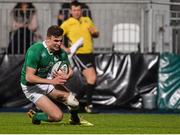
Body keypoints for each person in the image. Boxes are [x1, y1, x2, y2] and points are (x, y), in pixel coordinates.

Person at [20, 25, 80, 125]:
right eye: (56, 41)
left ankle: (74, 120)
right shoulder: (35, 50)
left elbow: (70, 71)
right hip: (31, 87)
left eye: (61, 40)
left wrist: (67, 76)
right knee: (57, 117)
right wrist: (52, 81)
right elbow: (29, 77)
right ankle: (36, 116)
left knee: (73, 102)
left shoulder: (61, 53)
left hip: (47, 81)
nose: (59, 43)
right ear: (48, 39)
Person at [60, 1, 99, 113]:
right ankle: (89, 106)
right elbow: (57, 37)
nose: (76, 12)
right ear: (71, 11)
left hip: (90, 53)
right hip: (79, 54)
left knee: (90, 81)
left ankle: (75, 101)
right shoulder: (67, 23)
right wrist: (64, 48)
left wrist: (94, 33)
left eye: (78, 10)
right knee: (92, 78)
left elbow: (96, 34)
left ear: (81, 10)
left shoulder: (87, 20)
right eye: (74, 10)